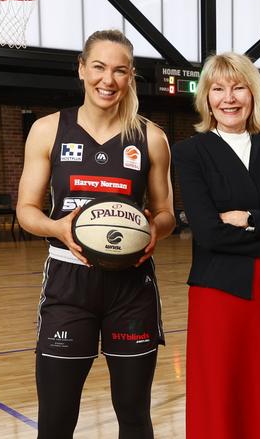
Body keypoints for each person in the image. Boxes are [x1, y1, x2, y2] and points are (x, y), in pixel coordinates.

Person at [16, 29, 176, 438]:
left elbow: (166, 214)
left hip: (131, 284)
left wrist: (152, 230)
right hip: (69, 282)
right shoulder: (49, 130)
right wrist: (57, 228)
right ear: (82, 69)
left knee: (134, 414)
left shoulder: (151, 138)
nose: (108, 80)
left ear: (130, 76)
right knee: (56, 418)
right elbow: (26, 211)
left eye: (120, 71)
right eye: (100, 67)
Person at [172, 52, 260, 439]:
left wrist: (250, 218)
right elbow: (209, 232)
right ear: (206, 97)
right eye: (218, 89)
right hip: (220, 291)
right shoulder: (190, 152)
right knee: (221, 390)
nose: (228, 98)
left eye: (238, 87)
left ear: (254, 94)